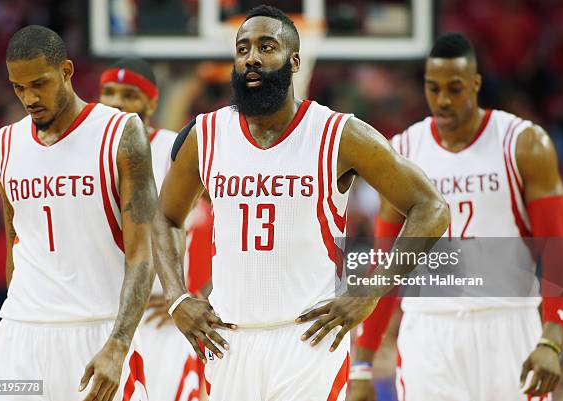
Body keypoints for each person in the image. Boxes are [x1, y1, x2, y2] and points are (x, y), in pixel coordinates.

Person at [153, 6, 449, 401]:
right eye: (242, 49)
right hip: (227, 342)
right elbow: (163, 217)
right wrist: (177, 297)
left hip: (308, 341)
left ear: (294, 62)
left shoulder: (338, 134)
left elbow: (431, 208)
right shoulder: (206, 135)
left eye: (266, 46)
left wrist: (371, 290)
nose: (251, 57)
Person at [348, 33, 563, 401]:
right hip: (430, 331)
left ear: (476, 84)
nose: (443, 100)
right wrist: (362, 365)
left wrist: (551, 338)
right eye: (433, 89)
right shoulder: (403, 152)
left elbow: (557, 252)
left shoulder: (523, 143)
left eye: (454, 89)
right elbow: (384, 262)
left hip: (508, 324)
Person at [0, 26, 157, 401]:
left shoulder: (120, 133)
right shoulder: (5, 143)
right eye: (18, 88)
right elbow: (16, 242)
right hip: (19, 336)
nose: (29, 98)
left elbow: (143, 253)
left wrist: (119, 344)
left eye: (39, 84)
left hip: (96, 331)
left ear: (66, 71)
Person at [99, 58, 205, 401]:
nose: (117, 102)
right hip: (101, 311)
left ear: (151, 103)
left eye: (129, 95)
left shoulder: (177, 149)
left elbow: (217, 225)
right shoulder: (85, 152)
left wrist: (196, 291)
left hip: (162, 314)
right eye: (109, 93)